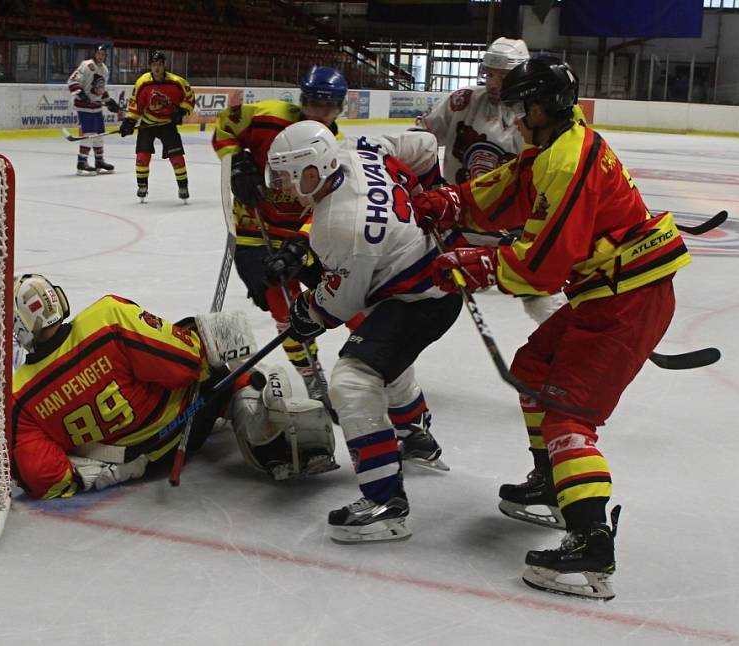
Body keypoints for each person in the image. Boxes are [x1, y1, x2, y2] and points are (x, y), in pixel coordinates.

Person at [411, 58, 692, 599]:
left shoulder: (566, 161)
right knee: (534, 368)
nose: (513, 118)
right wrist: (454, 202)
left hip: (627, 298)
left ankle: (591, 544)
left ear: (539, 108)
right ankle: (551, 483)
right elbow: (514, 186)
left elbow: (543, 263)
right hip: (613, 290)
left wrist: (482, 265)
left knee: (568, 413)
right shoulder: (559, 145)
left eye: (519, 108)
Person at [266, 122, 462, 543]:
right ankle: (415, 436)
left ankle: (385, 502)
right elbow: (427, 145)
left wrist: (306, 312)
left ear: (314, 169)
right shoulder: (363, 148)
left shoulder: (338, 226)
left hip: (421, 298)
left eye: (285, 175)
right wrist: (435, 191)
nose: (280, 185)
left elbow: (341, 305)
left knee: (354, 380)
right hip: (428, 278)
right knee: (380, 356)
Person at [10, 274, 337, 499]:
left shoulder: (18, 397)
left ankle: (253, 416)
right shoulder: (107, 319)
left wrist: (104, 471)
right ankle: (270, 431)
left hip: (139, 460)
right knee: (233, 356)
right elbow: (184, 366)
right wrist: (199, 336)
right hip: (187, 420)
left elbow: (42, 476)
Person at [210, 66, 348, 411]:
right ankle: (312, 375)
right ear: (302, 99)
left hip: (303, 237)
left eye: (329, 105)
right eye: (315, 103)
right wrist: (237, 163)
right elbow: (225, 125)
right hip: (255, 231)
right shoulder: (267, 117)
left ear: (341, 107)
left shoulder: (336, 148)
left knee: (346, 293)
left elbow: (330, 204)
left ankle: (371, 362)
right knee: (281, 301)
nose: (321, 112)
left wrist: (300, 243)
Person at [417, 37, 568, 326]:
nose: (495, 83)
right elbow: (420, 140)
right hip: (457, 230)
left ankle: (569, 348)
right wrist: (429, 184)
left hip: (513, 235)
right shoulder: (462, 102)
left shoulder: (536, 115)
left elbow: (550, 177)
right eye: (491, 74)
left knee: (544, 302)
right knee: (406, 297)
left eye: (504, 76)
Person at [120, 50, 195, 202]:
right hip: (148, 123)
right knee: (142, 155)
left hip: (167, 124)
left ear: (164, 65)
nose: (157, 68)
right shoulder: (143, 82)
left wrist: (181, 111)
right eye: (154, 65)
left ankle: (183, 186)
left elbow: (190, 98)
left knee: (177, 156)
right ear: (150, 66)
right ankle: (142, 185)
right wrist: (129, 121)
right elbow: (136, 106)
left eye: (159, 65)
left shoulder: (176, 82)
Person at [67, 45, 122, 175]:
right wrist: (81, 94)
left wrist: (109, 102)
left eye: (103, 54)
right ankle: (82, 162)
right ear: (94, 54)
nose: (100, 56)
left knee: (99, 134)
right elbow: (72, 81)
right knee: (89, 134)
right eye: (98, 54)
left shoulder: (104, 70)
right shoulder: (87, 65)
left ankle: (99, 161)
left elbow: (100, 90)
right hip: (83, 105)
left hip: (96, 106)